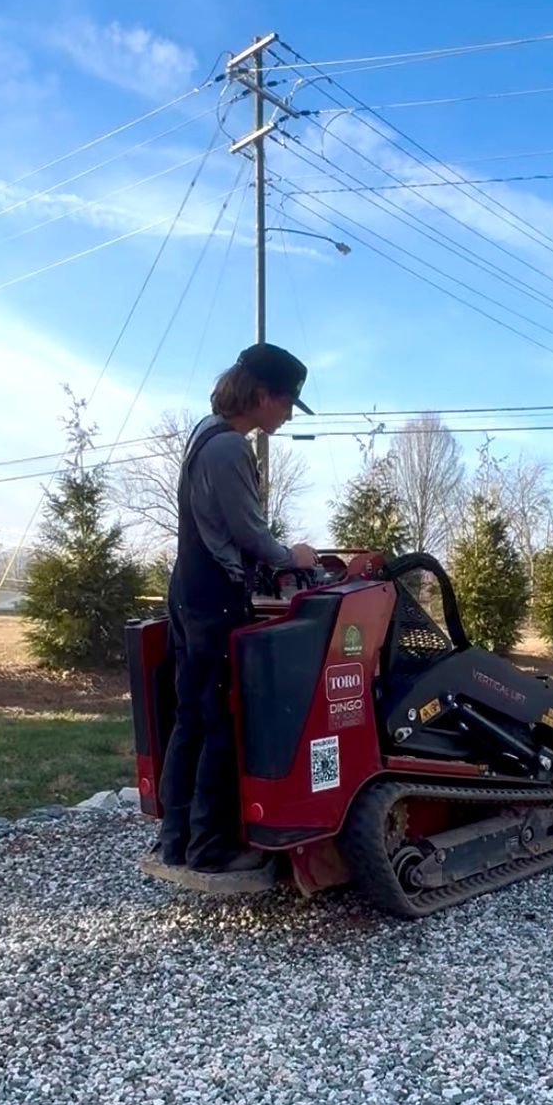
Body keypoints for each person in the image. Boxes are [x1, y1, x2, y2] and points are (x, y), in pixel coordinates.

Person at [156, 342, 318, 873]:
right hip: (216, 600)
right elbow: (249, 532)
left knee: (190, 718)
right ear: (263, 395)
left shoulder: (203, 433)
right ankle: (211, 848)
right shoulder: (229, 448)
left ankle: (176, 838)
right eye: (287, 402)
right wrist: (293, 558)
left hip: (188, 589)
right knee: (222, 720)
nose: (289, 414)